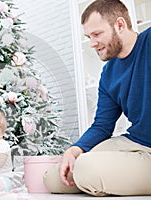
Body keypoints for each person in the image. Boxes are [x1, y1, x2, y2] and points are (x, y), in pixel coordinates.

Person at [43, 0, 151, 197]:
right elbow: (102, 125)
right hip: (135, 142)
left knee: (86, 169)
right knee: (54, 178)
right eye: (88, 36)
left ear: (120, 25)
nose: (92, 43)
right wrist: (74, 150)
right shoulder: (108, 73)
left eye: (97, 34)